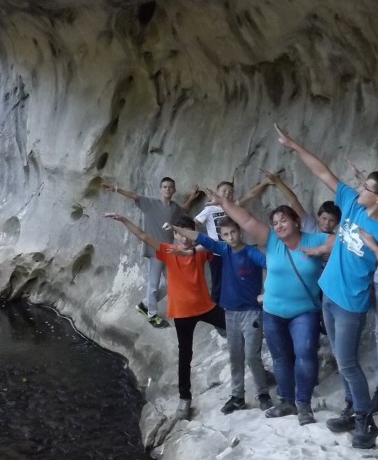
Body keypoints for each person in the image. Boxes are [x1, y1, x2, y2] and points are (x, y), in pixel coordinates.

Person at [275, 125, 378, 448]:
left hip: (350, 304)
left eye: (367, 186)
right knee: (341, 359)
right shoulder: (352, 205)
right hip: (329, 295)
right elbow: (325, 173)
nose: (359, 187)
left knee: (348, 362)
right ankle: (353, 409)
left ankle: (366, 420)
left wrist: (375, 249)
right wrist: (295, 146)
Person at [207, 190, 334, 425]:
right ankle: (287, 401)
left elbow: (338, 241)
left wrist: (319, 251)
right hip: (273, 311)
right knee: (280, 358)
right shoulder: (272, 240)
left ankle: (303, 404)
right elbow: (246, 220)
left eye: (284, 220)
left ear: (296, 221)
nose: (279, 225)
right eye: (275, 223)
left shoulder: (314, 239)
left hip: (304, 311)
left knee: (305, 354)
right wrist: (224, 203)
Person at [104, 212, 225, 419]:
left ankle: (256, 368)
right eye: (180, 234)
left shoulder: (199, 250)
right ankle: (184, 399)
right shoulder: (168, 250)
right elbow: (143, 236)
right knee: (185, 356)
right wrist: (124, 220)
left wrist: (196, 244)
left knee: (239, 328)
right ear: (175, 235)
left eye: (188, 234)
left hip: (206, 306)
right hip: (182, 313)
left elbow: (216, 245)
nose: (184, 239)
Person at [170, 217, 272, 413]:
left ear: (240, 232)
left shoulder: (251, 252)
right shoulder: (223, 250)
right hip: (230, 312)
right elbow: (200, 238)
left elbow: (271, 264)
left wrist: (267, 292)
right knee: (235, 356)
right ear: (222, 237)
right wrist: (177, 229)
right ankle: (237, 396)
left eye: (233, 232)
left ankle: (263, 394)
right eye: (226, 234)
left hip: (251, 312)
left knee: (252, 356)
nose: (230, 237)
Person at [102, 177, 194, 328]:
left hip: (168, 251)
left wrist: (192, 197)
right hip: (154, 250)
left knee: (173, 283)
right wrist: (117, 190)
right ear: (160, 189)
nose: (167, 189)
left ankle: (145, 304)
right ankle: (152, 315)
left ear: (174, 190)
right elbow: (135, 196)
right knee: (154, 284)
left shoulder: (175, 208)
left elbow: (185, 210)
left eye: (170, 187)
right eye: (164, 187)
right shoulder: (150, 203)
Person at [194, 179, 269, 303]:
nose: (227, 194)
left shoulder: (233, 206)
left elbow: (250, 195)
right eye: (224, 191)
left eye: (230, 192)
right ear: (217, 192)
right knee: (218, 282)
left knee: (238, 278)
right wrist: (204, 241)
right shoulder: (209, 209)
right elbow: (194, 223)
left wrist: (264, 182)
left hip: (235, 251)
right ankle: (217, 310)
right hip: (217, 253)